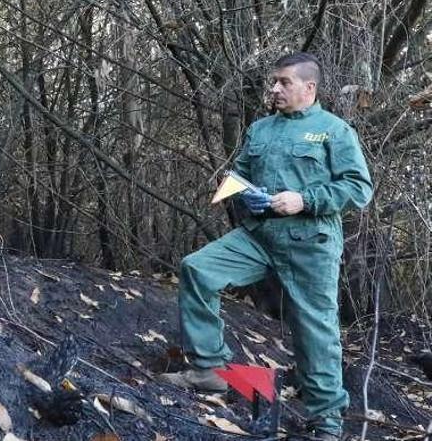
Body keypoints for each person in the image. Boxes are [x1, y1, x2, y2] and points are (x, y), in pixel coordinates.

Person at [160, 53, 373, 441]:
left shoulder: (334, 131)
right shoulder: (260, 129)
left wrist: (304, 200)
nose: (274, 89)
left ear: (309, 88)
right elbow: (238, 173)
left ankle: (326, 422)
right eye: (273, 82)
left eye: (284, 83)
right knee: (197, 268)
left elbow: (358, 189)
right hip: (258, 236)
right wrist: (240, 192)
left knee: (315, 331)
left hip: (310, 244)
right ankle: (208, 369)